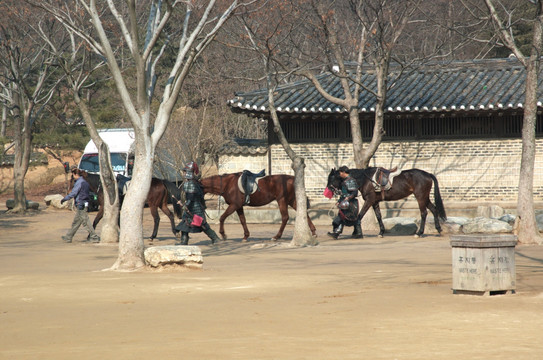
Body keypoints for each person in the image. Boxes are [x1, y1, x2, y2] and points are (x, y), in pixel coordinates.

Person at [175, 161, 221, 245]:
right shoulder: (191, 182)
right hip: (192, 207)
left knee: (202, 224)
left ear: (189, 172)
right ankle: (184, 242)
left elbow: (191, 198)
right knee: (185, 224)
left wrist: (185, 205)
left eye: (185, 171)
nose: (184, 173)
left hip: (195, 208)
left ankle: (215, 238)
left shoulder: (191, 183)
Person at [61, 168, 100, 243]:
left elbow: (74, 193)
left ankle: (94, 237)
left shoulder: (80, 182)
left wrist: (65, 198)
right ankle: (68, 237)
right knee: (76, 222)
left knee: (85, 222)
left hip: (81, 203)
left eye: (73, 175)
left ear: (75, 174)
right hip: (83, 203)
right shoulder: (84, 182)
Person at [327, 165, 363, 239]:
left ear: (343, 172)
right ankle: (337, 232)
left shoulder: (350, 180)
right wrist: (339, 201)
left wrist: (348, 198)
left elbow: (355, 192)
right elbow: (343, 193)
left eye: (340, 173)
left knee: (351, 218)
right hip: (344, 201)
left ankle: (358, 233)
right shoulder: (345, 181)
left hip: (350, 203)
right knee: (342, 216)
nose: (339, 175)